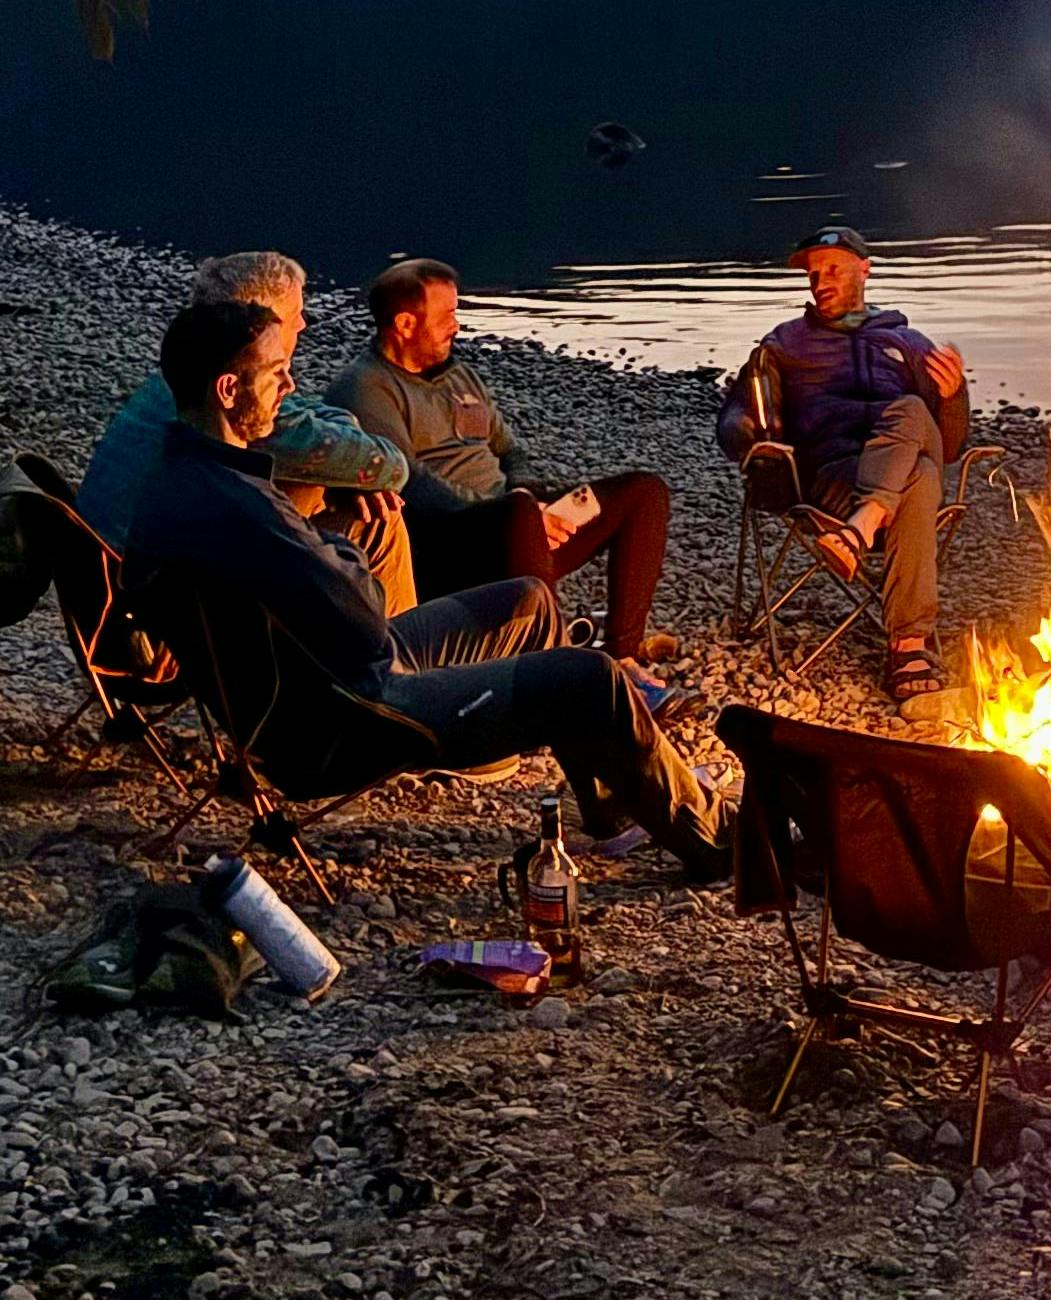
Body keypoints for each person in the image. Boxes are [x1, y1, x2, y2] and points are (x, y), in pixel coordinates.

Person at [125, 299, 729, 876]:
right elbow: (365, 622)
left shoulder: (183, 476)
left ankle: (616, 800)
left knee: (528, 600)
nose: (288, 388)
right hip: (349, 715)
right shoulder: (239, 507)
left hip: (318, 679)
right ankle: (722, 841)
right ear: (229, 390)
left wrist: (323, 550)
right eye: (277, 374)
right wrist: (339, 548)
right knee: (588, 676)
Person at [327, 258, 677, 667]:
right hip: (449, 543)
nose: (456, 326)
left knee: (643, 492)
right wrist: (514, 512)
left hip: (516, 523)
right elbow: (411, 481)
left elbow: (510, 450)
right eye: (447, 316)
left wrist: (529, 499)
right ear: (405, 324)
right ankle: (559, 669)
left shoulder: (458, 377)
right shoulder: (365, 389)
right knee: (517, 513)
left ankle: (623, 656)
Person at [715, 225, 972, 716]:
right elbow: (734, 416)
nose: (820, 282)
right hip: (834, 480)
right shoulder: (785, 344)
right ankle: (908, 648)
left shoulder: (909, 343)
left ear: (864, 270)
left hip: (881, 479)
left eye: (832, 269)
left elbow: (953, 442)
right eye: (813, 275)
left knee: (915, 414)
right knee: (919, 477)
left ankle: (860, 530)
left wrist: (954, 394)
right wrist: (748, 430)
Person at [78, 251, 418, 616]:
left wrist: (340, 467)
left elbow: (308, 413)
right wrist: (343, 473)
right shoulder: (236, 411)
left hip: (107, 587)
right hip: (161, 615)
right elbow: (392, 467)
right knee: (378, 522)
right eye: (293, 315)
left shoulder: (180, 381)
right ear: (258, 323)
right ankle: (400, 663)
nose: (303, 325)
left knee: (341, 494)